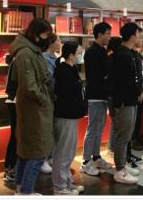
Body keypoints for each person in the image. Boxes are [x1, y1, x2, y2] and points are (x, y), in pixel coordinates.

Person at [9, 18, 54, 196]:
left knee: (28, 152)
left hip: (35, 108)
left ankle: (21, 189)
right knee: (36, 153)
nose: (47, 38)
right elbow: (29, 86)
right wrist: (45, 100)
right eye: (45, 34)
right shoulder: (26, 54)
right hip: (34, 110)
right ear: (36, 34)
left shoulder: (30, 51)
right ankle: (26, 191)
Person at [109, 22, 143, 184]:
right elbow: (126, 81)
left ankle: (122, 165)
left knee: (126, 135)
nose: (140, 36)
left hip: (129, 100)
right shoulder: (123, 55)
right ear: (132, 36)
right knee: (122, 136)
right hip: (124, 101)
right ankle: (120, 170)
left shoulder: (126, 53)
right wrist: (137, 91)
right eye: (138, 33)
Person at [52, 42, 87, 196]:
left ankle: (67, 182)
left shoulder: (71, 69)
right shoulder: (63, 71)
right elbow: (66, 95)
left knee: (70, 151)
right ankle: (60, 186)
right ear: (71, 55)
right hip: (65, 115)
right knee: (63, 152)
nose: (80, 55)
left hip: (71, 115)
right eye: (79, 52)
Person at [81, 21, 114, 176]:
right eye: (107, 33)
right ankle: (86, 161)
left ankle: (96, 156)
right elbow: (97, 76)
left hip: (102, 95)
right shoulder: (93, 52)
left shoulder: (101, 51)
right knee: (93, 128)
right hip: (95, 95)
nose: (109, 37)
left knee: (99, 127)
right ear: (99, 34)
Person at [40, 32, 61, 174]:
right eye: (58, 40)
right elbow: (49, 79)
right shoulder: (44, 59)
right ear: (51, 43)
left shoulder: (57, 58)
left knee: (55, 129)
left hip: (57, 98)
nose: (60, 43)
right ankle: (43, 158)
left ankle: (51, 156)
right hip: (48, 98)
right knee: (46, 129)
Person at [3, 52, 18, 190]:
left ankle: (10, 168)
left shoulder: (16, 59)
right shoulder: (19, 59)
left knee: (15, 136)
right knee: (16, 136)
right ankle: (10, 168)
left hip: (14, 100)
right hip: (16, 101)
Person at [131, 36, 143, 153]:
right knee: (135, 117)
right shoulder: (133, 55)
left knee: (139, 117)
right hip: (138, 90)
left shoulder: (140, 56)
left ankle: (136, 137)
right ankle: (133, 139)